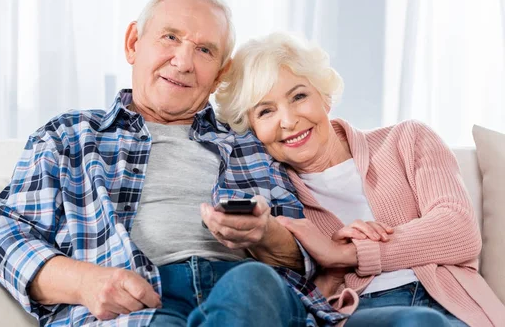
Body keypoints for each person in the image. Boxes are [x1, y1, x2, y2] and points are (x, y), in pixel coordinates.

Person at [0, 0, 349, 326]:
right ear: (133, 43)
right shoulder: (69, 136)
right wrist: (85, 282)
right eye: (170, 37)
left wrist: (265, 233)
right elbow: (7, 235)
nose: (183, 61)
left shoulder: (250, 144)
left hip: (245, 296)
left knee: (254, 282)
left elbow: (301, 258)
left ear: (220, 74)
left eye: (205, 50)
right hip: (140, 304)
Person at [215, 32, 505, 326]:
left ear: (324, 97)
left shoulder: (407, 139)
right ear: (250, 128)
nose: (288, 121)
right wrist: (334, 271)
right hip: (362, 314)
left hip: (458, 308)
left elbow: (459, 230)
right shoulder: (277, 198)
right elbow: (300, 304)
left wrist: (347, 253)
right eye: (266, 111)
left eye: (299, 96)